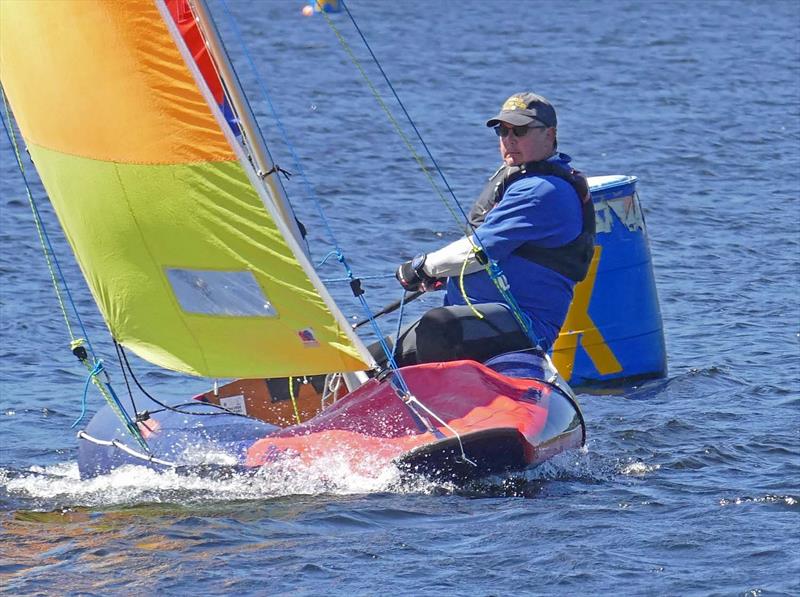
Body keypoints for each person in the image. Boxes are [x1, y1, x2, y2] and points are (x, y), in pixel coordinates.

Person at [390, 92, 595, 367]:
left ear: (549, 134)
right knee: (367, 359)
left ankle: (445, 402)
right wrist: (443, 275)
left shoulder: (543, 191)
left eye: (520, 131)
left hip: (523, 328)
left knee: (440, 326)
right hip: (471, 320)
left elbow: (478, 253)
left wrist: (423, 268)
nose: (509, 139)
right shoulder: (519, 180)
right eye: (502, 131)